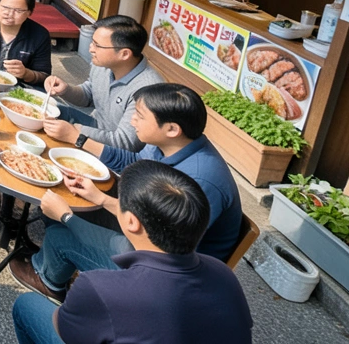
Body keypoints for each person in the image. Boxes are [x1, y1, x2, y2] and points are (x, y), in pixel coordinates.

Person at [16, 83, 243, 302]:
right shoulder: (168, 142)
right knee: (67, 200)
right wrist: (101, 197)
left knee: (61, 233)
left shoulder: (199, 182)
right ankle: (60, 261)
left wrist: (71, 218)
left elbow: (160, 247)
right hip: (150, 228)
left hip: (165, 273)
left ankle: (49, 282)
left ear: (172, 128)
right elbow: (133, 163)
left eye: (140, 116)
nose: (132, 119)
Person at [12, 161, 252, 344]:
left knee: (26, 306)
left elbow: (64, 328)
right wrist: (102, 198)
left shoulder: (98, 288)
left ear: (132, 223)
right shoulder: (225, 275)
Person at [41, 15, 162, 152]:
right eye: (92, 42)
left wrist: (76, 133)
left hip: (114, 149)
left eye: (97, 45)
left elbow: (125, 142)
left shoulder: (148, 90)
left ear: (124, 54)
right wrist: (66, 90)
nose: (91, 49)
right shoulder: (102, 63)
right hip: (94, 124)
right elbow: (88, 95)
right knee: (43, 110)